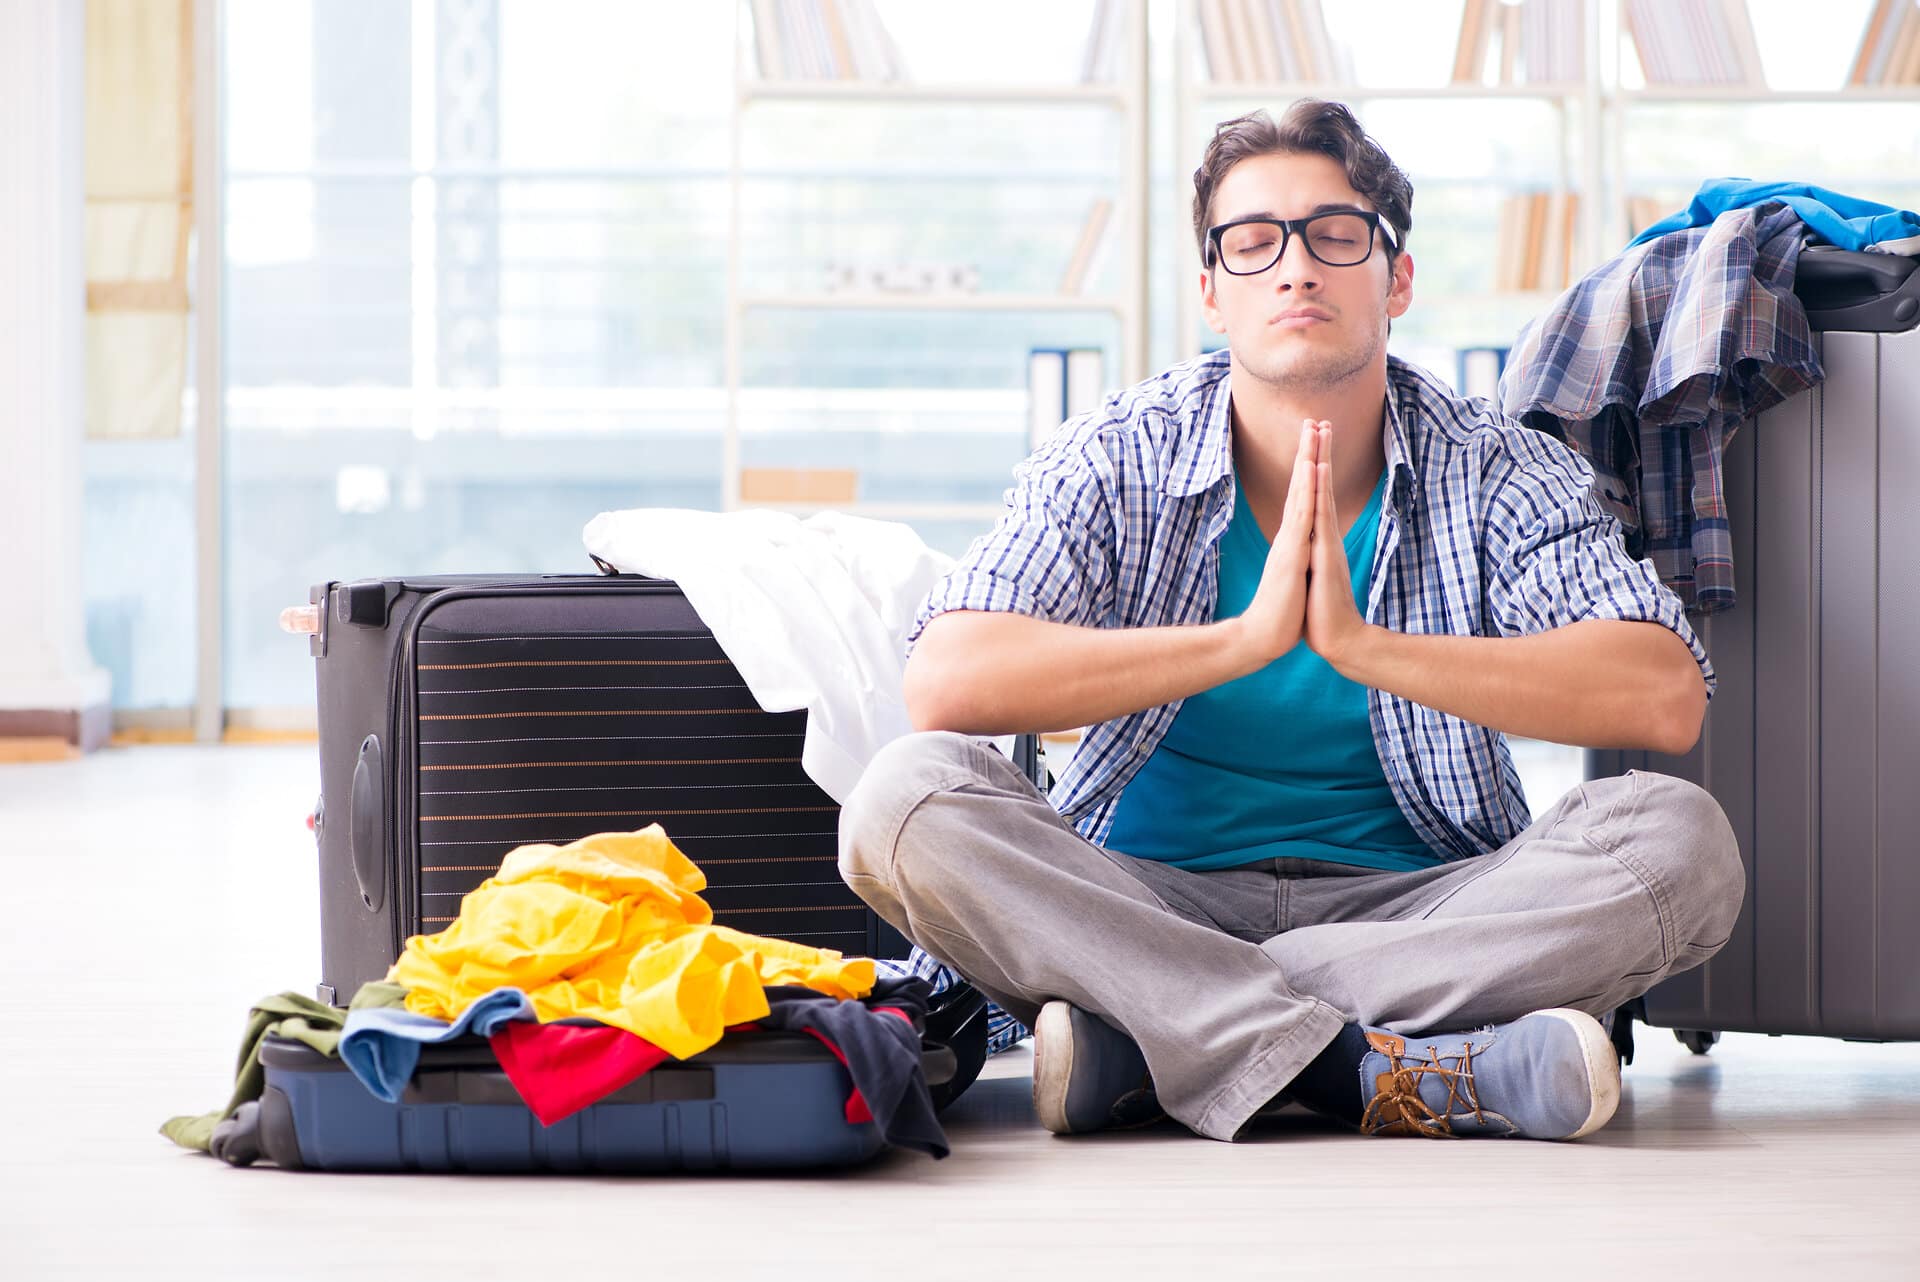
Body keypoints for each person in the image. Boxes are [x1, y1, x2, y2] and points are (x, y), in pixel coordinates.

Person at [837, 100, 1744, 1143]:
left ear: (1396, 280)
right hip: (1145, 901)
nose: (1297, 269)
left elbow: (1661, 693)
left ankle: (1157, 1037)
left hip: (1423, 911)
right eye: (1254, 242)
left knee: (1683, 844)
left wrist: (1366, 648)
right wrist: (1241, 641)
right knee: (902, 800)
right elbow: (947, 680)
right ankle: (1370, 1067)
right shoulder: (1119, 452)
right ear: (1213, 292)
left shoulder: (1493, 465)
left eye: (1335, 235)